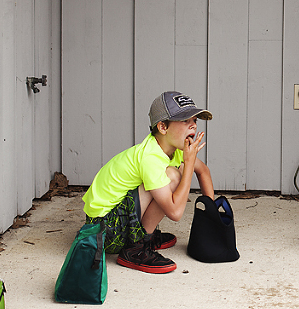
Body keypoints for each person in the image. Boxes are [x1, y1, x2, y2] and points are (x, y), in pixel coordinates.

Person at [82, 91, 215, 273]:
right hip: (103, 231)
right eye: (185, 120)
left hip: (113, 221)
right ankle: (136, 248)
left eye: (195, 120)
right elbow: (175, 213)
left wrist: (212, 222)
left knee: (181, 169)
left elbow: (204, 172)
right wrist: (189, 164)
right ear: (162, 127)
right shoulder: (150, 157)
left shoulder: (173, 149)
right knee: (174, 175)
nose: (193, 125)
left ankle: (143, 235)